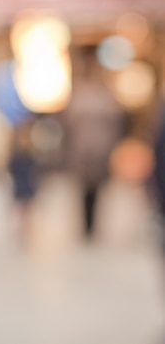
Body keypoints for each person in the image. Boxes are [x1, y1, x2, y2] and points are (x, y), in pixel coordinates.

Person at [64, 46, 126, 239]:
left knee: (96, 190)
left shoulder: (102, 95)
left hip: (97, 150)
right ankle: (86, 225)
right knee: (84, 190)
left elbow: (116, 124)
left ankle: (91, 225)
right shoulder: (82, 94)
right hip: (84, 151)